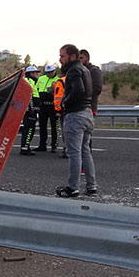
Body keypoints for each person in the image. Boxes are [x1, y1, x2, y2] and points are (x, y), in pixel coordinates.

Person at [56, 44, 97, 197]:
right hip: (87, 113)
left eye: (62, 56)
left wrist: (65, 103)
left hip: (76, 114)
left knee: (74, 153)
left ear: (72, 57)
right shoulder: (85, 69)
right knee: (85, 151)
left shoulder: (73, 70)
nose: (60, 59)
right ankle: (91, 185)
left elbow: (78, 90)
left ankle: (72, 187)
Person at [35, 64, 59, 152]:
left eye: (51, 72)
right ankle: (42, 145)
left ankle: (54, 145)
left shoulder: (58, 80)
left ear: (54, 71)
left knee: (54, 127)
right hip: (43, 105)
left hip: (53, 106)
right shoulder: (41, 78)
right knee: (42, 126)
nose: (49, 74)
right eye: (48, 73)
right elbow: (36, 89)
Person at [19, 66, 41, 155]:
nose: (36, 74)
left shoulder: (32, 81)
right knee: (29, 129)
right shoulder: (28, 81)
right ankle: (25, 147)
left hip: (31, 109)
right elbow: (30, 96)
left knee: (29, 128)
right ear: (31, 73)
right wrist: (32, 109)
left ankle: (25, 146)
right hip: (30, 110)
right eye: (35, 73)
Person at [79, 49, 103, 115]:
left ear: (87, 58)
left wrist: (83, 96)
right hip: (79, 108)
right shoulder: (78, 71)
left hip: (90, 107)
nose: (80, 60)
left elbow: (97, 89)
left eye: (81, 58)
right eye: (78, 59)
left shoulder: (94, 71)